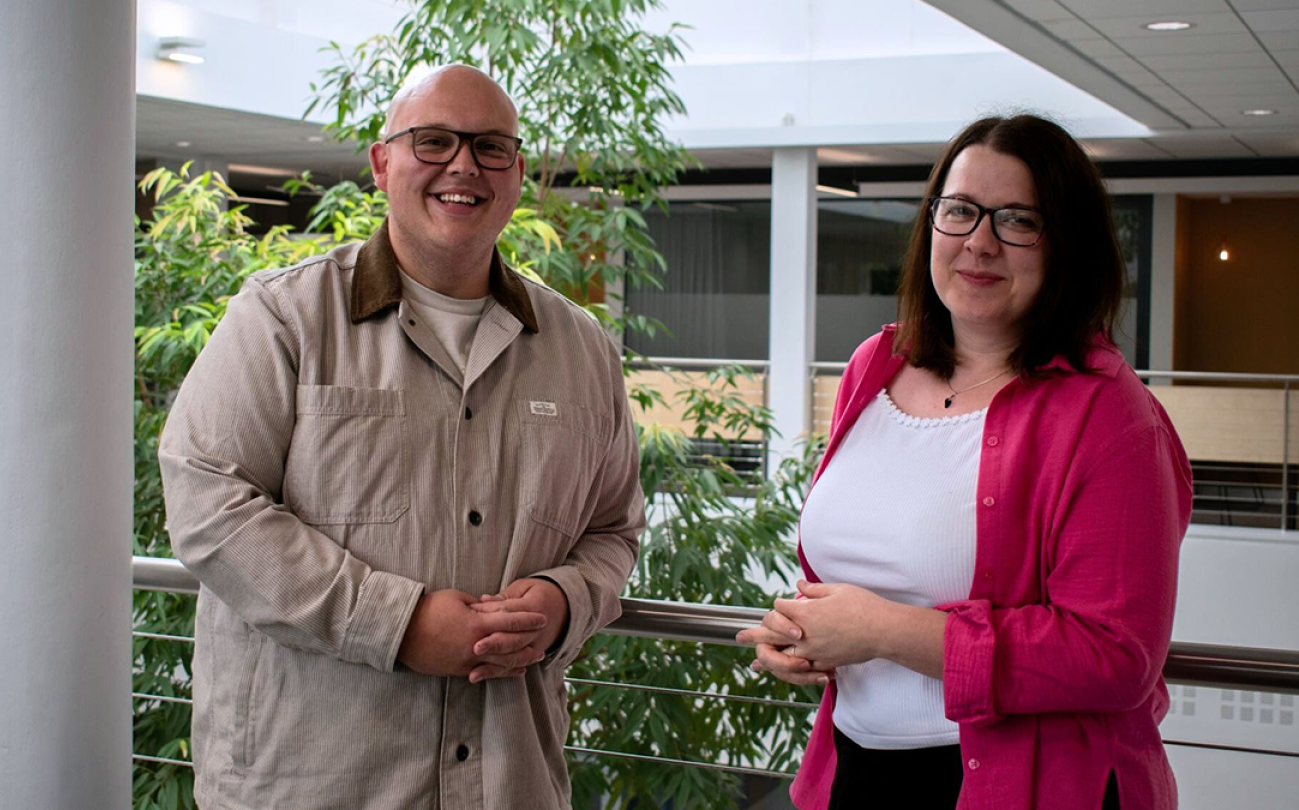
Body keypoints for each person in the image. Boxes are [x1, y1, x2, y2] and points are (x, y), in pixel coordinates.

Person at [159, 64, 643, 810]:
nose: (463, 166)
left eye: (489, 148)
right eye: (434, 141)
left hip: (508, 784)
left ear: (516, 174)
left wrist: (564, 601)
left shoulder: (581, 349)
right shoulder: (285, 319)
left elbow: (614, 529)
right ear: (383, 163)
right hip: (312, 783)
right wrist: (397, 624)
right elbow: (207, 502)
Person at [738, 114, 1192, 810]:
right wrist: (806, 633)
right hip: (856, 767)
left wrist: (879, 630)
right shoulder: (874, 366)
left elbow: (1115, 657)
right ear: (931, 224)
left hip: (1021, 786)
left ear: (1065, 243)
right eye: (960, 212)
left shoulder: (1110, 416)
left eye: (1017, 220)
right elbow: (868, 563)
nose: (979, 242)